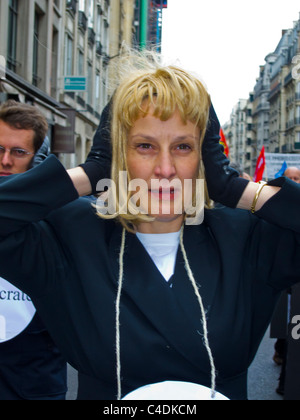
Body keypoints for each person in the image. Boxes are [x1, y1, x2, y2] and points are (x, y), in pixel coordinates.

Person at [0, 54, 300, 401]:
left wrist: (233, 186)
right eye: (145, 146)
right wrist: (91, 171)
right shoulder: (70, 235)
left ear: (204, 157)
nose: (165, 168)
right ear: (118, 154)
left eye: (183, 147)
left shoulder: (246, 237)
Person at [0, 101, 67, 400]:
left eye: (18, 152)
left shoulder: (60, 221)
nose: (5, 161)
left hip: (35, 384)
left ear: (38, 159)